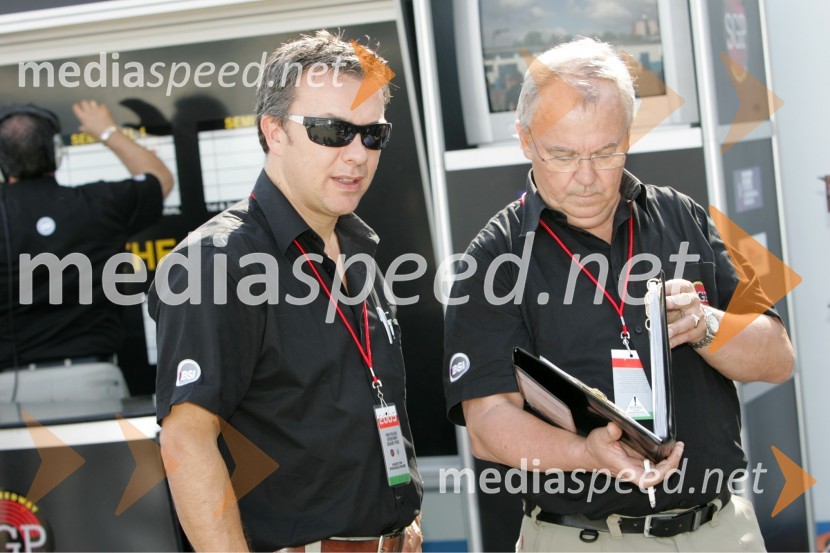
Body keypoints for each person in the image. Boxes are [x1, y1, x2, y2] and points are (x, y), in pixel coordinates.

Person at [443, 38, 794, 551]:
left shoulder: (683, 217)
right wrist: (588, 452)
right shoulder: (492, 259)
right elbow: (488, 423)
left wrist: (707, 326)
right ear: (524, 140)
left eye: (606, 152)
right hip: (583, 539)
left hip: (721, 531)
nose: (586, 178)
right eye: (562, 154)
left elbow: (777, 359)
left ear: (628, 137)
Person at [148, 31, 423, 552]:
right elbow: (186, 441)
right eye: (333, 131)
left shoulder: (357, 248)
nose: (357, 153)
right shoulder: (217, 263)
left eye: (373, 135)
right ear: (273, 131)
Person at [0, 100, 173, 402]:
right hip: (92, 382)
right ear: (57, 151)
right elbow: (159, 178)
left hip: (9, 391)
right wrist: (106, 131)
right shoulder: (99, 203)